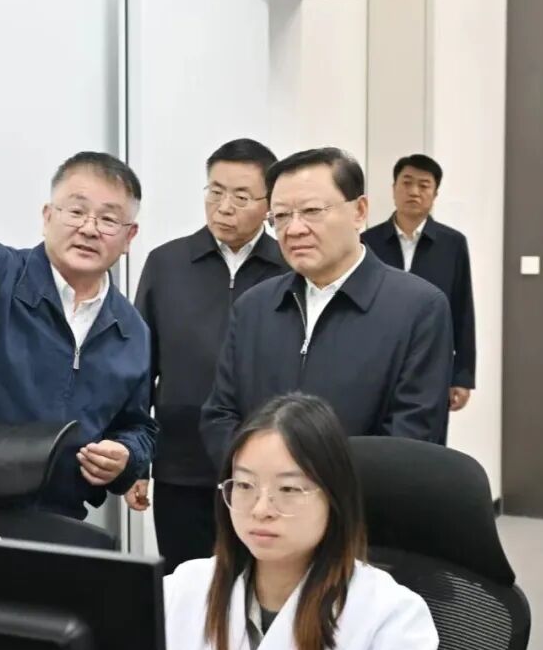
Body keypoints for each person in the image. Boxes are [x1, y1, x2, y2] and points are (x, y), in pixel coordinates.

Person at [164, 393, 461, 650]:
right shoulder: (182, 591)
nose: (261, 509)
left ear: (334, 498)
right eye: (245, 485)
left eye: (289, 489)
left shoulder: (389, 615)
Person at [0, 151, 157, 522]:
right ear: (47, 216)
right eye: (76, 211)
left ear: (129, 236)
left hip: (55, 515)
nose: (89, 229)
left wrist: (127, 457)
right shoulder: (0, 272)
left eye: (108, 219)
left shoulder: (133, 331)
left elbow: (137, 425)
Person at [200, 147, 453, 469]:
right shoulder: (254, 306)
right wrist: (264, 479)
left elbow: (412, 436)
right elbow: (220, 414)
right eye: (281, 216)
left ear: (359, 211)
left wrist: (314, 487)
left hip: (365, 498)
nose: (294, 229)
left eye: (312, 211)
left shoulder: (419, 308)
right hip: (262, 495)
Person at [135, 138, 288, 573]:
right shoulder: (167, 263)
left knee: (265, 581)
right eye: (215, 191)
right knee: (186, 583)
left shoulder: (289, 268)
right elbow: (139, 367)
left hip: (268, 466)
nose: (224, 207)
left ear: (269, 204)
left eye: (241, 196)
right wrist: (137, 461)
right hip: (181, 463)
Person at [362, 154, 477, 417]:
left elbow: (462, 310)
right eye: (406, 182)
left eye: (424, 185)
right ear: (394, 188)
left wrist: (462, 376)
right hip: (376, 359)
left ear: (435, 194)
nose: (414, 191)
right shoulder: (368, 242)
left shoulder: (452, 244)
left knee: (427, 431)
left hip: (432, 360)